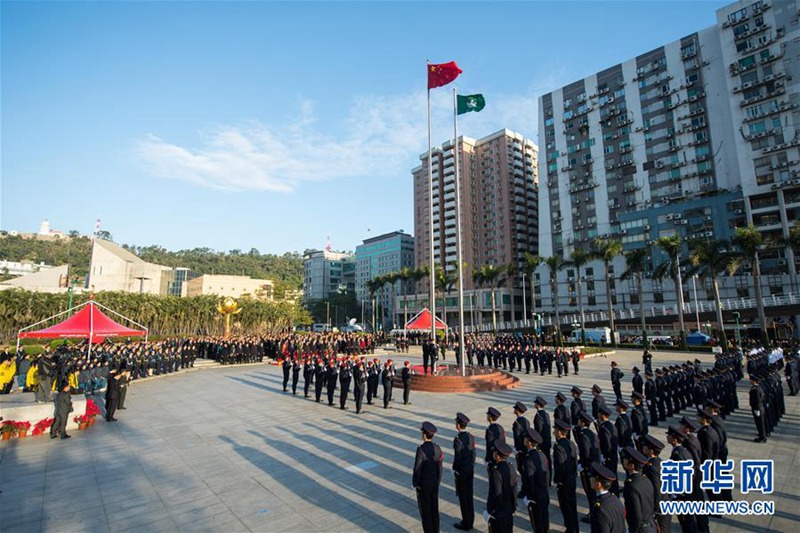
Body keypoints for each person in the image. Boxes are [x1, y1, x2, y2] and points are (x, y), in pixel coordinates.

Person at [413, 421, 444, 533]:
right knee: (434, 509)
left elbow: (417, 469)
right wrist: (438, 481)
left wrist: (416, 483)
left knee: (426, 512)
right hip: (434, 483)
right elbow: (440, 468)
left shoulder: (421, 450)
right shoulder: (438, 448)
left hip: (424, 485)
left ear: (424, 435)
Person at [621, 447, 657, 533]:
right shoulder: (646, 480)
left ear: (632, 466)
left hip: (640, 528)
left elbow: (636, 513)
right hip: (651, 525)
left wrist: (633, 530)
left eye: (626, 460)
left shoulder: (631, 486)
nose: (623, 461)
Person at [553, 419, 579, 533]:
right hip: (572, 477)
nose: (553, 431)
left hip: (564, 481)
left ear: (559, 432)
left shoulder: (558, 446)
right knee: (572, 506)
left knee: (566, 507)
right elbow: (575, 461)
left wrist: (557, 480)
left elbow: (560, 466)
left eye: (555, 430)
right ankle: (574, 528)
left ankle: (570, 529)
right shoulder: (571, 443)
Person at [520, 428, 549, 533]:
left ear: (529, 443)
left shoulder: (529, 459)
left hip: (536, 496)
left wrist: (529, 497)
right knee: (544, 521)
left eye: (525, 438)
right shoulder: (541, 454)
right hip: (543, 492)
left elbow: (530, 480)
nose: (524, 439)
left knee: (537, 524)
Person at [485, 440, 518, 533]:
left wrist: (490, 511)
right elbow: (514, 490)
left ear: (497, 455)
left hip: (499, 512)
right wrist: (513, 506)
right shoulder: (511, 467)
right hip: (509, 508)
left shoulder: (496, 471)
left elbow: (496, 494)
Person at [453, 412, 476, 531]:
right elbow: (473, 453)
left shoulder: (458, 439)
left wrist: (455, 469)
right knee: (469, 495)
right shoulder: (470, 436)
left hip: (462, 471)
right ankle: (470, 519)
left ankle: (466, 523)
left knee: (463, 497)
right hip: (470, 469)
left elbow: (458, 457)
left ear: (458, 425)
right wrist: (471, 464)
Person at [589, 462, 626, 533]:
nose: (590, 479)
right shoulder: (615, 499)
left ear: (598, 484)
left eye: (592, 478)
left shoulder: (599, 509)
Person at [511, 401, 531, 474]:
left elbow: (517, 437)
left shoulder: (517, 423)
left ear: (517, 411)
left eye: (515, 409)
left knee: (521, 468)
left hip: (521, 449)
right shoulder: (526, 421)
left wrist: (517, 449)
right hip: (527, 447)